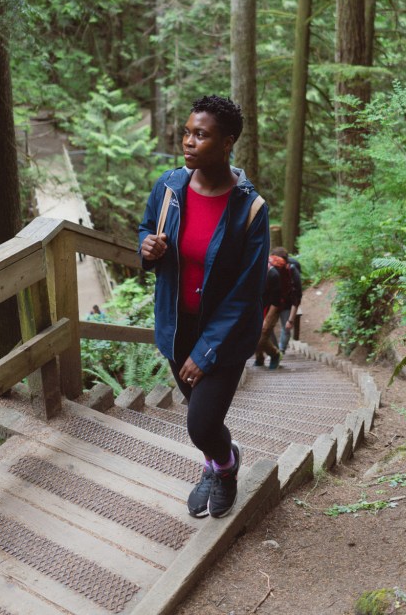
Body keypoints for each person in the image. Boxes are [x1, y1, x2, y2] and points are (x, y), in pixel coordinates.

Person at [139, 94, 269, 519]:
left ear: (227, 142)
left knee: (200, 424)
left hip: (224, 337)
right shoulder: (169, 187)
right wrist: (147, 248)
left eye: (201, 135)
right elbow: (146, 229)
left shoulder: (249, 209)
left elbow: (248, 290)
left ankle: (226, 468)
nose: (188, 142)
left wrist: (206, 351)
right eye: (187, 132)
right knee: (203, 423)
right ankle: (214, 461)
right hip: (178, 327)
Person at [255, 247, 298, 370]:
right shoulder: (253, 272)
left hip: (273, 307)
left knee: (261, 336)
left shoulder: (273, 274)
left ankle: (275, 354)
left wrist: (267, 321)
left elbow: (275, 302)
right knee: (253, 334)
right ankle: (259, 357)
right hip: (258, 306)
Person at [278, 255, 303, 353]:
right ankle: (278, 351)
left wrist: (291, 319)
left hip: (288, 302)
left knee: (286, 327)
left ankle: (280, 350)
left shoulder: (293, 270)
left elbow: (296, 296)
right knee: (285, 327)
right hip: (280, 301)